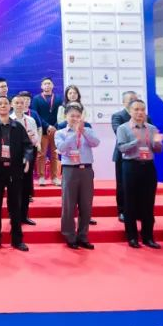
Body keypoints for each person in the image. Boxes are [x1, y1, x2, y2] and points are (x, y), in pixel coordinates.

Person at [0, 96, 33, 251]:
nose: (3, 106)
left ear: (10, 106)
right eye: (0, 104)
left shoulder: (18, 126)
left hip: (14, 170)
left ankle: (17, 239)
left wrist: (27, 158)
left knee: (15, 205)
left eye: (5, 103)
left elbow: (28, 146)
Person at [117, 99, 163, 249]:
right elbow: (121, 148)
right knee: (130, 202)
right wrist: (135, 142)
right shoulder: (123, 128)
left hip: (148, 167)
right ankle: (132, 237)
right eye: (136, 109)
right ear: (130, 111)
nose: (140, 112)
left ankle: (148, 237)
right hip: (131, 166)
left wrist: (158, 143)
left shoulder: (152, 128)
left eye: (142, 110)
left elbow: (158, 150)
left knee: (148, 202)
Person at [55, 103, 100, 250]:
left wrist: (83, 131)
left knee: (86, 205)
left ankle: (83, 236)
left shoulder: (88, 130)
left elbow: (96, 143)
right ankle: (69, 235)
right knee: (69, 205)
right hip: (70, 170)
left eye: (78, 116)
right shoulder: (60, 133)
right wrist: (74, 133)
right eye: (72, 116)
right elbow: (61, 148)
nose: (75, 119)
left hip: (86, 170)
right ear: (65, 117)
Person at [10, 94, 42, 226]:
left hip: (28, 153)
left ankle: (24, 215)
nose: (19, 105)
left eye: (21, 103)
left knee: (26, 185)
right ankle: (14, 216)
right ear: (12, 105)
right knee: (14, 186)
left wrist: (32, 139)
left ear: (25, 105)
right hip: (13, 155)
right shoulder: (8, 120)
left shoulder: (31, 120)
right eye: (16, 103)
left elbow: (35, 138)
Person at [110, 91, 137, 223]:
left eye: (135, 99)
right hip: (123, 155)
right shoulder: (118, 116)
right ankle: (122, 211)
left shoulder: (145, 117)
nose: (133, 102)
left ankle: (138, 211)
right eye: (130, 99)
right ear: (123, 102)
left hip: (141, 157)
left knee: (139, 184)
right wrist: (139, 135)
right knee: (122, 184)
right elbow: (119, 132)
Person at [33, 77, 62, 186]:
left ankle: (55, 177)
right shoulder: (36, 99)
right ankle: (41, 177)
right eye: (45, 84)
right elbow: (36, 115)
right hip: (43, 130)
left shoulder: (58, 98)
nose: (47, 85)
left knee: (55, 155)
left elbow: (61, 115)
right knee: (41, 155)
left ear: (52, 85)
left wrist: (54, 126)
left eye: (49, 83)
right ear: (41, 86)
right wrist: (47, 126)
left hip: (56, 130)